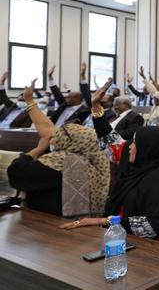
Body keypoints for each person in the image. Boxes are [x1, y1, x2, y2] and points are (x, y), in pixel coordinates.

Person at [62, 122, 159, 242]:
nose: (129, 147)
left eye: (135, 142)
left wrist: (102, 221)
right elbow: (110, 142)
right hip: (126, 236)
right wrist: (96, 109)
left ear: (149, 146)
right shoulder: (141, 169)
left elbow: (153, 226)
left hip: (158, 248)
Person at [8, 80, 109, 217]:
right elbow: (49, 130)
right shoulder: (97, 159)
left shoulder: (58, 163)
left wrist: (37, 150)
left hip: (47, 225)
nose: (55, 137)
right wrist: (29, 100)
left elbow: (15, 172)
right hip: (85, 226)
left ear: (65, 142)